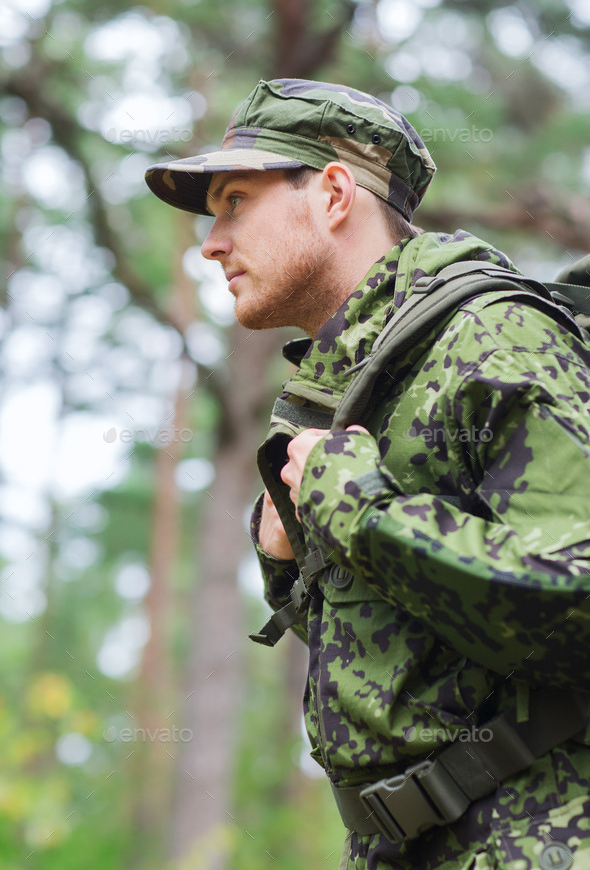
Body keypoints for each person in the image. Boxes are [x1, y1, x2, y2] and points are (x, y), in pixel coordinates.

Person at [145, 79, 590, 870]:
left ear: (335, 193)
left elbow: (577, 595)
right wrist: (292, 569)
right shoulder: (357, 384)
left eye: (234, 201)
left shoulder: (495, 335)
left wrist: (354, 508)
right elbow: (432, 656)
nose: (209, 242)